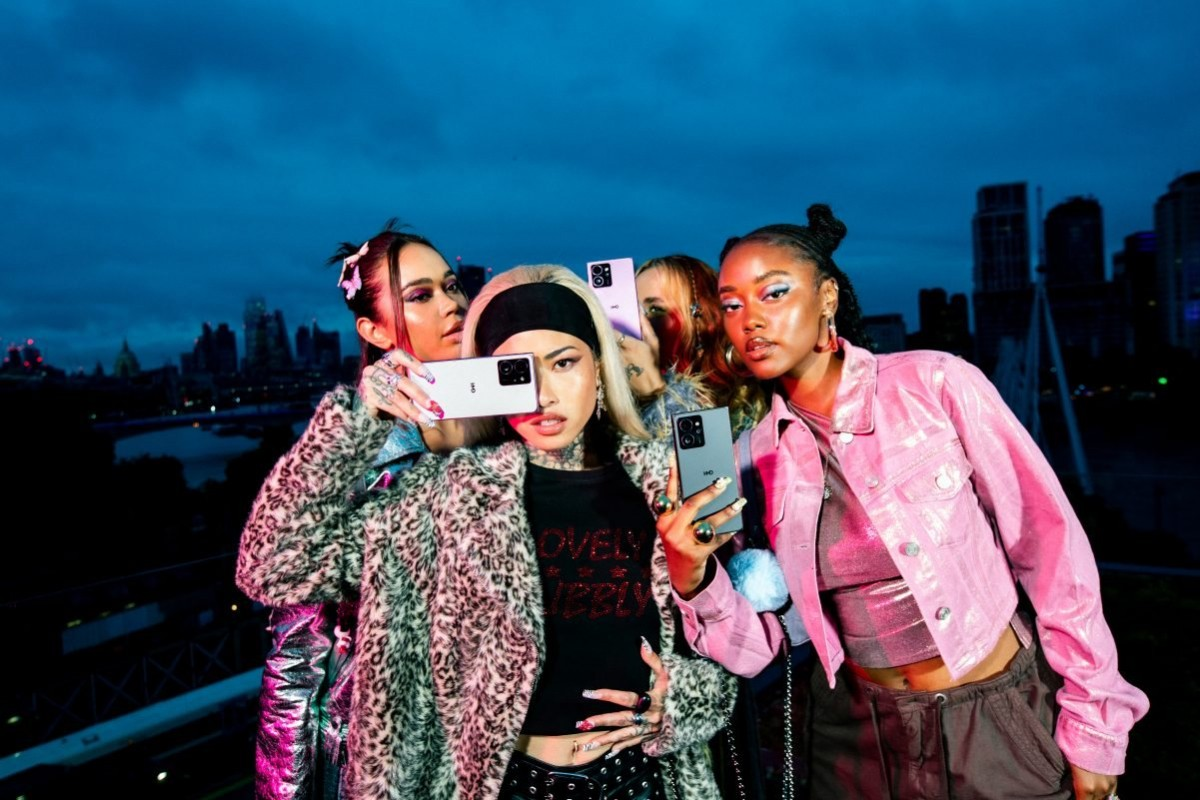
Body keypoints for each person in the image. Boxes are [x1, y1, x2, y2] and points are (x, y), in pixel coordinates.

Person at [657, 205, 1148, 800]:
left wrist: (1096, 724)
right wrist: (690, 576)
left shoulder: (934, 385)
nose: (751, 320)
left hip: (994, 717)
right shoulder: (752, 458)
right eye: (732, 305)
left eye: (774, 293)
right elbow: (761, 646)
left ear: (827, 297)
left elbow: (1049, 548)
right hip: (855, 737)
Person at [237, 264, 737, 799]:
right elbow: (272, 565)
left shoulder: (666, 479)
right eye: (517, 372)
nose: (542, 393)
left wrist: (679, 702)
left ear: (598, 368)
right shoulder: (448, 497)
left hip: (645, 783)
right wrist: (362, 419)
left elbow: (726, 646)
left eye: (564, 362)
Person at [254, 220, 468, 800]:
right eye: (420, 295)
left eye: (452, 285)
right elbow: (295, 658)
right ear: (373, 330)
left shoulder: (514, 426)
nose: (451, 304)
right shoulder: (351, 460)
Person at [619, 255, 763, 438]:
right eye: (634, 311)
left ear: (703, 320)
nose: (639, 323)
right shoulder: (612, 400)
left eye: (655, 309)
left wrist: (655, 395)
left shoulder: (747, 404)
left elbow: (709, 456)